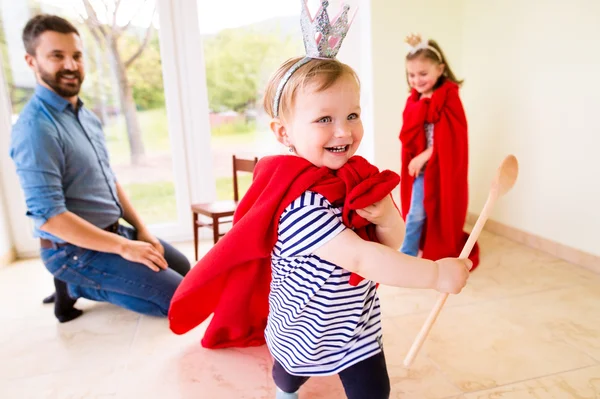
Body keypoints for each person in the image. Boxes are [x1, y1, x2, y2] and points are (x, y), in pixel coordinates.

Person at [167, 3, 472, 398]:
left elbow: (389, 243)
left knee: (374, 391)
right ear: (284, 132)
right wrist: (434, 275)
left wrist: (383, 216)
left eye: (352, 114)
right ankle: (286, 389)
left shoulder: (356, 178)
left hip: (357, 327)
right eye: (324, 119)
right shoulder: (300, 204)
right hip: (304, 329)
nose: (344, 130)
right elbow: (363, 258)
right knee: (289, 376)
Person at [9, 14, 190, 323]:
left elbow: (108, 179)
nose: (70, 65)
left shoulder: (84, 115)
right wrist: (125, 248)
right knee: (178, 303)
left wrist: (141, 232)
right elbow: (50, 218)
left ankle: (97, 275)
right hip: (71, 251)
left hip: (113, 232)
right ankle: (75, 283)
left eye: (76, 56)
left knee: (187, 273)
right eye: (56, 56)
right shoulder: (35, 128)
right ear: (31, 61)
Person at [399, 33, 480, 268]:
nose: (417, 80)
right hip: (421, 168)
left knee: (431, 211)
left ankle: (418, 252)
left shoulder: (449, 97)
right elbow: (408, 133)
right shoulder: (414, 100)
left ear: (440, 69)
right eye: (411, 75)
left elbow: (453, 140)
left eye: (423, 74)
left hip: (440, 167)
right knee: (415, 212)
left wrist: (427, 154)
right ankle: (409, 252)